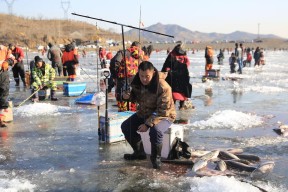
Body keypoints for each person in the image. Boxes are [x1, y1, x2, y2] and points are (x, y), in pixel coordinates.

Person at [121, 61, 176, 169]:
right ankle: (139, 152)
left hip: (165, 115)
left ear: (153, 73)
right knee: (126, 126)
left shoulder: (163, 86)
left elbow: (163, 111)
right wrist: (126, 96)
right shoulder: (136, 81)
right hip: (144, 112)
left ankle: (156, 159)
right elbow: (134, 97)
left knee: (156, 131)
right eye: (141, 76)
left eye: (147, 76)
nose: (144, 79)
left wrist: (147, 124)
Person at [110, 41, 144, 112]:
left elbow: (114, 63)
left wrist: (115, 75)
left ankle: (123, 112)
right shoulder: (141, 55)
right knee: (134, 97)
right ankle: (133, 113)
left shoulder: (123, 52)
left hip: (123, 78)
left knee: (122, 97)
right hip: (136, 79)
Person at [161, 44, 192, 110]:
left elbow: (187, 63)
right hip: (176, 76)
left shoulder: (177, 54)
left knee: (179, 93)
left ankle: (179, 106)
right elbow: (167, 64)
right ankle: (175, 106)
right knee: (176, 93)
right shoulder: (174, 54)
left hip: (178, 76)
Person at [0, 58, 13, 127]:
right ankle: (1, 121)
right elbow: (4, 83)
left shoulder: (4, 66)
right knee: (3, 104)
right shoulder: (4, 70)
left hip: (3, 87)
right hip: (3, 89)